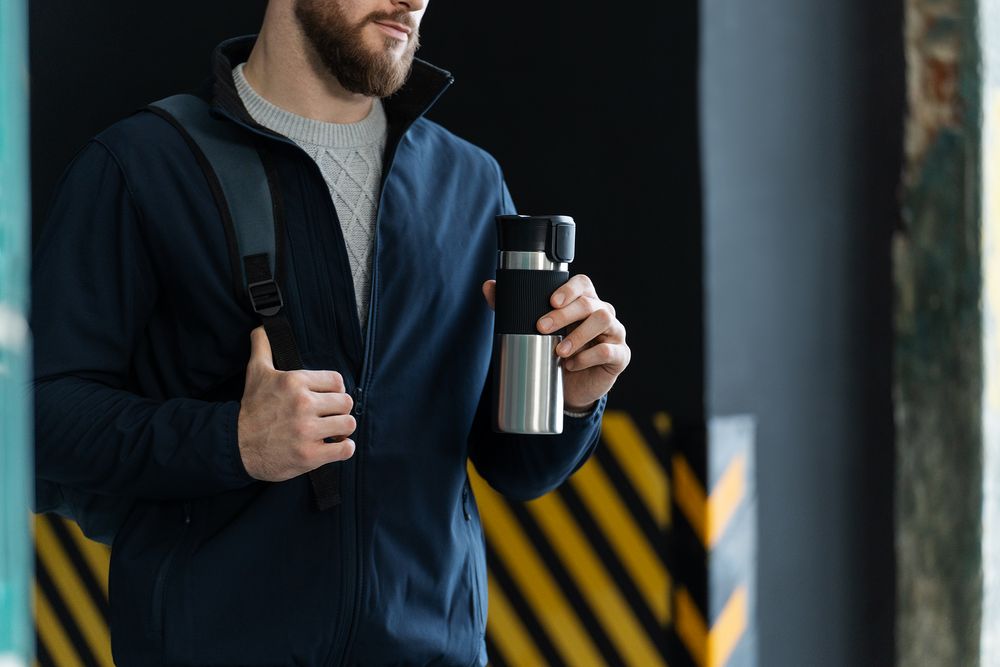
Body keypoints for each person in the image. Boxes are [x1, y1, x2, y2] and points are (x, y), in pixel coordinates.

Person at [30, 0, 631, 664]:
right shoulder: (143, 164)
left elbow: (517, 469)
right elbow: (37, 418)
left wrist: (573, 398)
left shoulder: (468, 182)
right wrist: (232, 441)